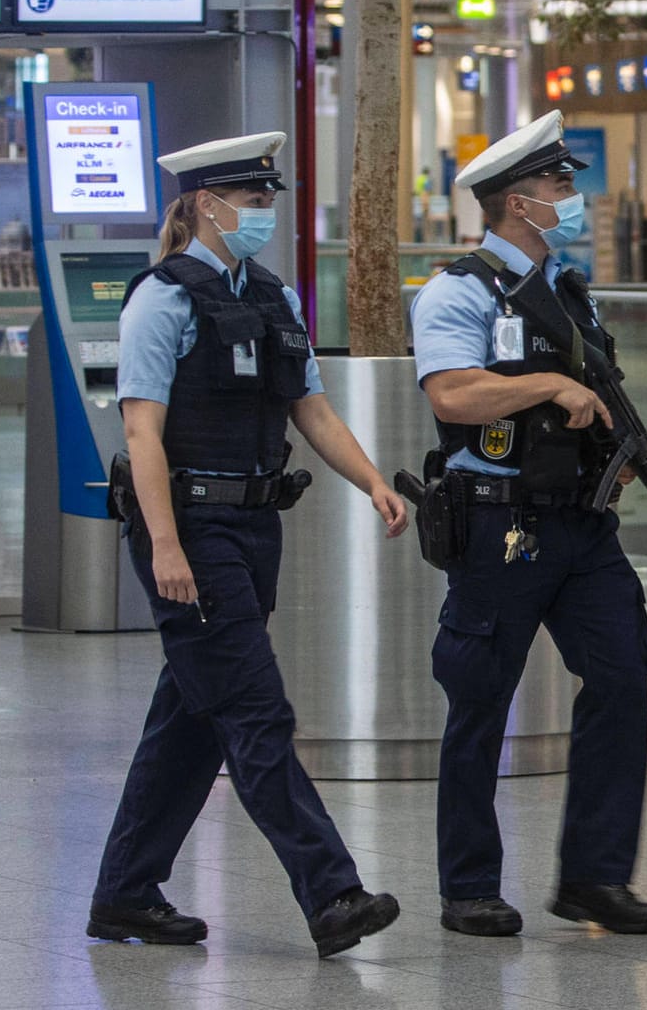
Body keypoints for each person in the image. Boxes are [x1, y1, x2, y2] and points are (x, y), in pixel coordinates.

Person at [88, 131, 408, 958]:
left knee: (195, 716)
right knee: (257, 712)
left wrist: (372, 481)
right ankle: (332, 892)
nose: (265, 213)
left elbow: (312, 409)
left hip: (253, 526)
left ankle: (125, 894)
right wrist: (165, 547)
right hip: (190, 531)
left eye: (270, 200)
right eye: (252, 200)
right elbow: (141, 432)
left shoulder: (271, 297)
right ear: (204, 204)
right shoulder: (161, 299)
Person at [409, 110, 647, 938]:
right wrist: (548, 388)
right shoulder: (458, 289)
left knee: (622, 677)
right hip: (500, 526)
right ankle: (470, 885)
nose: (572, 196)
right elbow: (451, 393)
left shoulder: (567, 291)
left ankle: (594, 877)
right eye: (560, 186)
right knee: (479, 700)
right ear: (519, 202)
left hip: (582, 527)